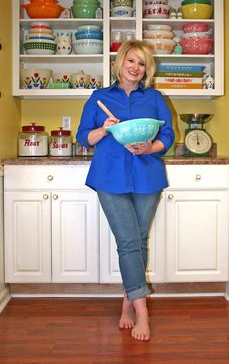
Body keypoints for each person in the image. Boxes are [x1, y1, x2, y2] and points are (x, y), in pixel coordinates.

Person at [77, 40, 175, 342]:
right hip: (109, 178)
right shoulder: (99, 97)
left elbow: (168, 135)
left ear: (147, 69)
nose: (135, 67)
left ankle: (128, 304)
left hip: (147, 176)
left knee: (138, 242)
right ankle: (143, 312)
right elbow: (84, 138)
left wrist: (150, 146)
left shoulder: (155, 97)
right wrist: (104, 128)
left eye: (142, 63)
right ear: (120, 63)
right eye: (131, 61)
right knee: (129, 241)